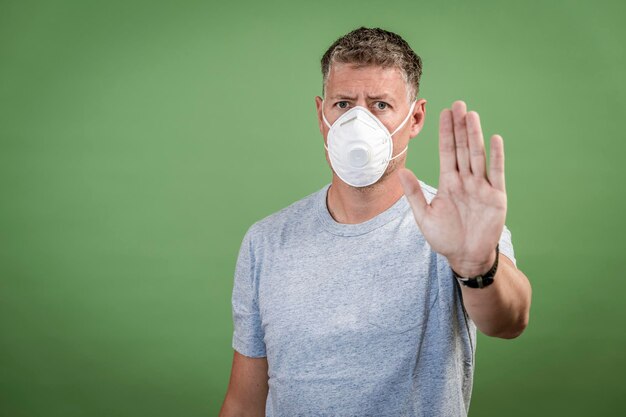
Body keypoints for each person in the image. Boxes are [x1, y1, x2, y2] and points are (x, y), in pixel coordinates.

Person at [219, 27, 532, 417]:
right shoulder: (266, 241)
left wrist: (478, 265)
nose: (358, 122)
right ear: (321, 115)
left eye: (381, 105)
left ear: (415, 118)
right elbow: (244, 402)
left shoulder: (455, 225)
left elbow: (510, 320)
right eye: (344, 104)